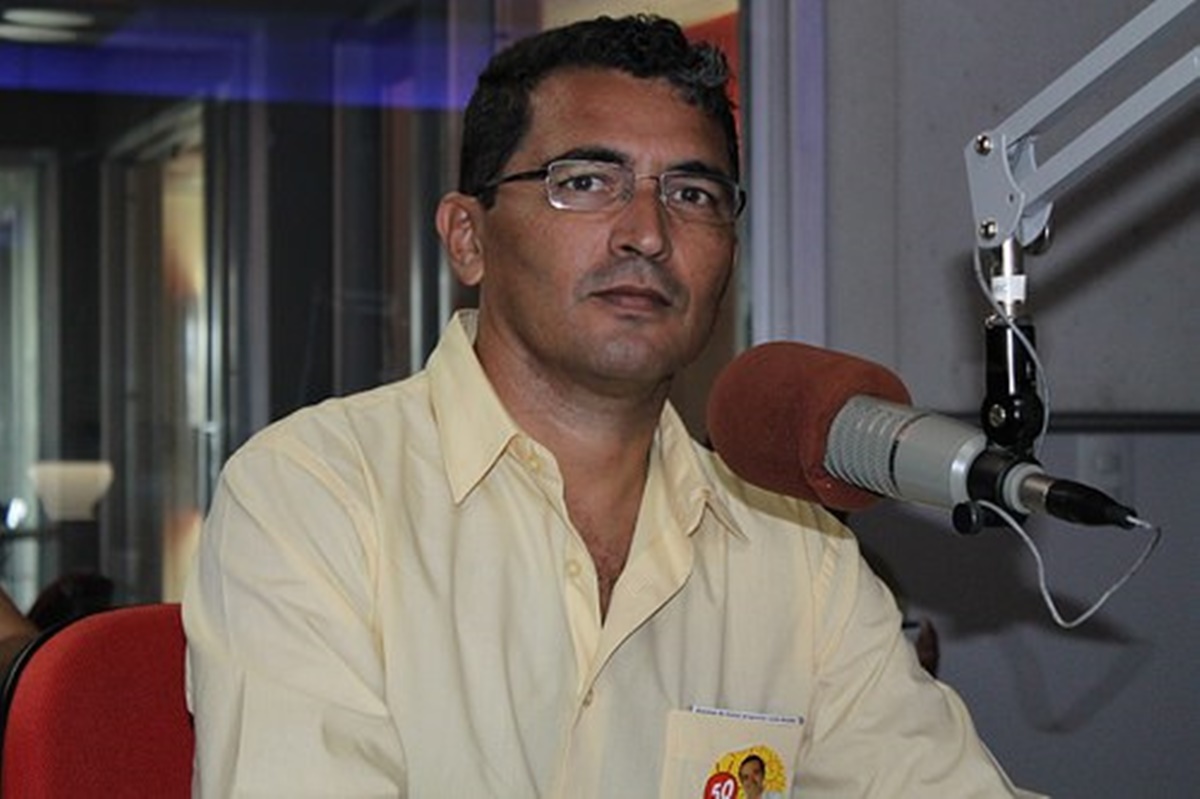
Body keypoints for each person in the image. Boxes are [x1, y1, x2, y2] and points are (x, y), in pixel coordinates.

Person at [183, 14, 1042, 797]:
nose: (647, 232)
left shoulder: (798, 553)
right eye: (587, 181)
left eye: (693, 194)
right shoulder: (317, 495)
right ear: (468, 238)